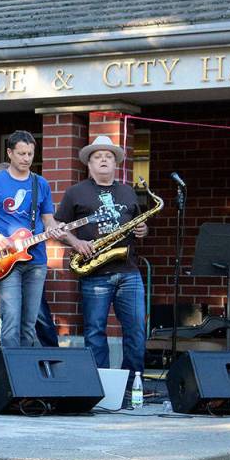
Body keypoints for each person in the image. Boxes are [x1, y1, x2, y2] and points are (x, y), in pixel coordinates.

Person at [55, 136, 148, 375]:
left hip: (129, 271)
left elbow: (138, 224)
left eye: (109, 156)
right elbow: (56, 226)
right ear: (90, 164)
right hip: (94, 271)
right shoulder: (76, 192)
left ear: (116, 163)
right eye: (98, 157)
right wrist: (75, 242)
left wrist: (143, 230)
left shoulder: (128, 192)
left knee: (136, 330)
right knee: (95, 332)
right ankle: (101, 385)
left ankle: (131, 385)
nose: (104, 160)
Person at [0, 131, 64, 351]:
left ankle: (24, 373)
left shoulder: (40, 183)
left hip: (36, 259)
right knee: (11, 319)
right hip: (7, 261)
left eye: (30, 154)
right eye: (21, 153)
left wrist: (56, 230)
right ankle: (9, 373)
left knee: (29, 323)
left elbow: (48, 220)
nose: (26, 158)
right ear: (10, 153)